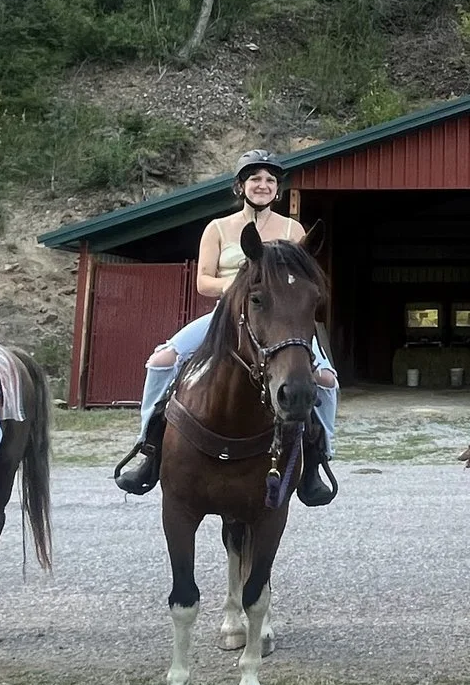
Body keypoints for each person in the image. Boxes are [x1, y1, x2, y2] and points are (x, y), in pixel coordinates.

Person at [112, 150, 339, 504]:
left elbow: (297, 279)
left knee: (325, 379)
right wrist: (241, 290)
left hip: (279, 316)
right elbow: (203, 281)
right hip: (226, 313)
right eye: (255, 179)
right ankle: (149, 450)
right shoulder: (217, 228)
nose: (263, 185)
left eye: (269, 180)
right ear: (241, 186)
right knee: (162, 362)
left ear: (277, 189)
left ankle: (316, 461)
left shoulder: (292, 229)